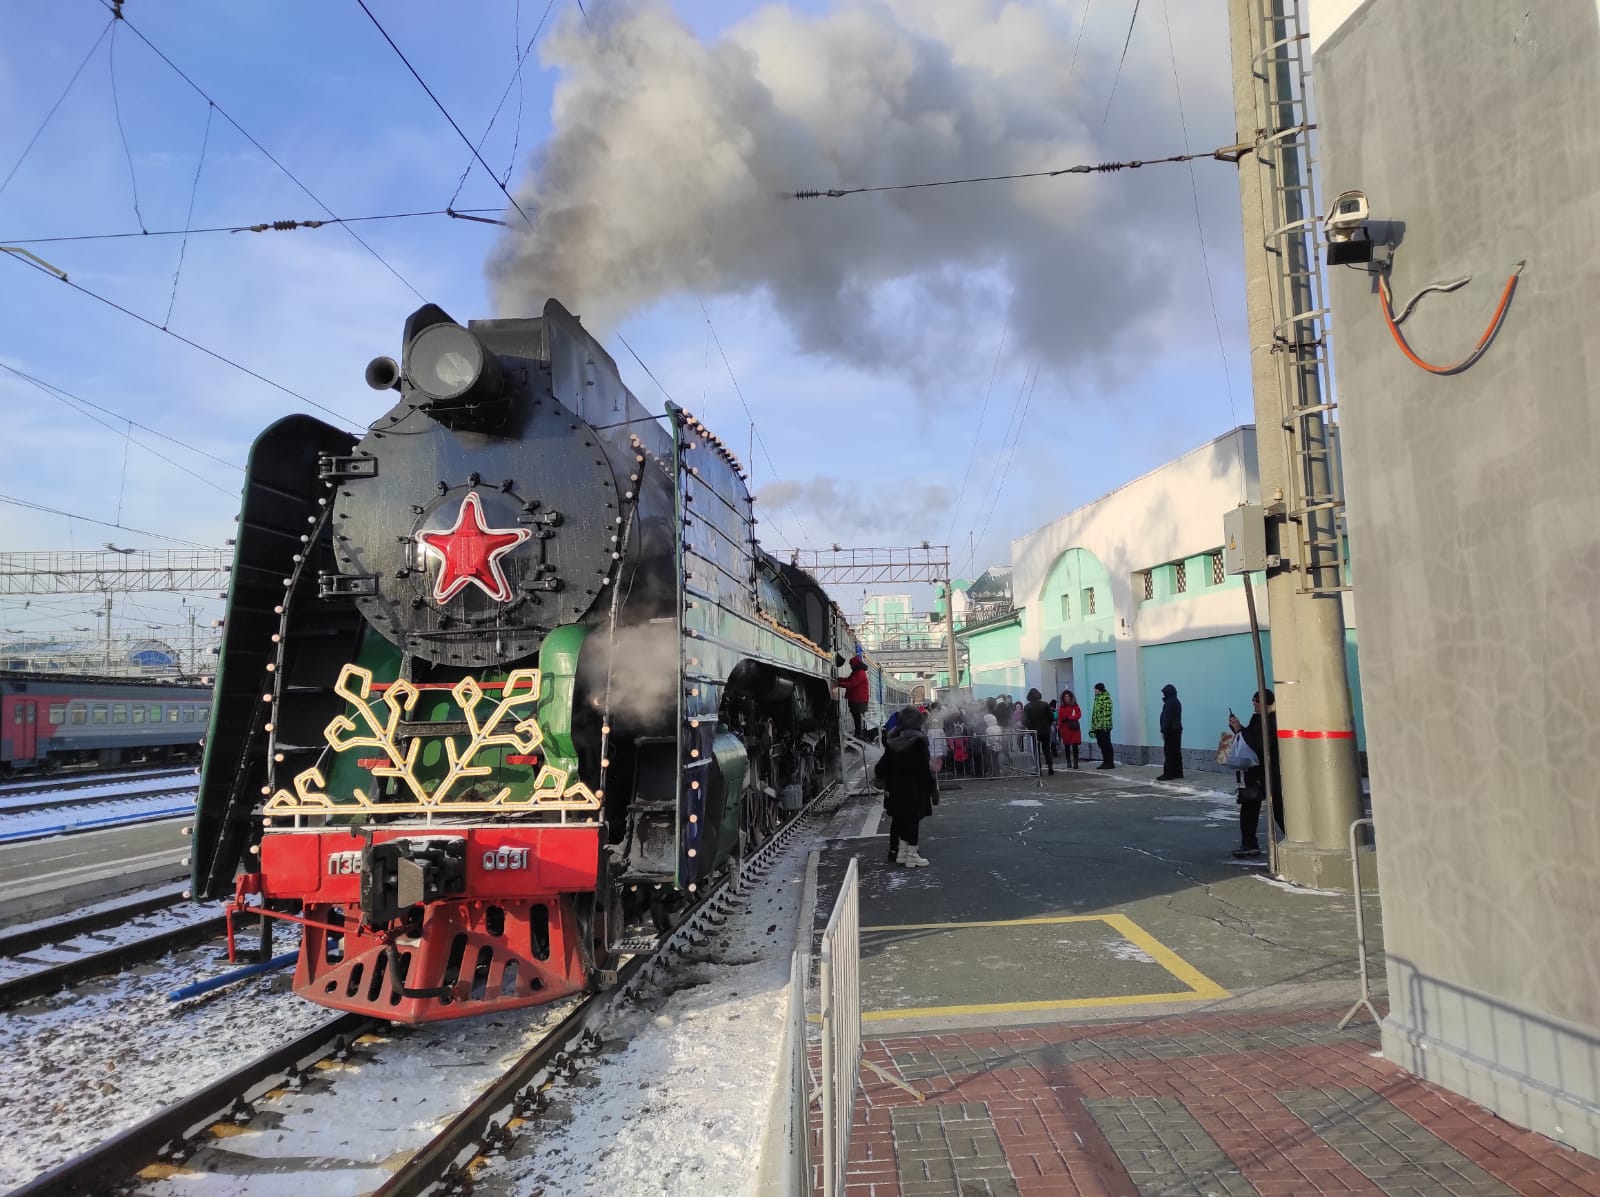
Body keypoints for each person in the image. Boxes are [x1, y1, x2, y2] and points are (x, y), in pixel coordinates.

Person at [876, 707, 937, 867]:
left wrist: (883, 776)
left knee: (900, 820)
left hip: (895, 789)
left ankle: (901, 853)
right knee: (913, 821)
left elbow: (881, 767)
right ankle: (912, 854)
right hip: (914, 789)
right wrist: (933, 789)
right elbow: (924, 769)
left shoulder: (892, 741)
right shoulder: (919, 741)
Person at [1228, 689, 1282, 858]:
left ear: (1265, 703)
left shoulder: (1271, 720)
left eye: (1256, 701)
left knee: (1279, 808)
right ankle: (1249, 843)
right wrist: (1237, 729)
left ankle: (1294, 838)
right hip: (1256, 771)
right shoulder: (1258, 718)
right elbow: (1250, 738)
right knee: (1250, 807)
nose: (1253, 704)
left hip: (1266, 771)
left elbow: (1258, 743)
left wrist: (1239, 730)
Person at [1022, 687, 1056, 774]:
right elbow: (1051, 717)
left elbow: (1024, 720)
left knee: (1036, 750)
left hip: (1034, 731)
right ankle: (1050, 767)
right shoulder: (1045, 704)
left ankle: (1038, 769)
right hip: (1045, 730)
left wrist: (1029, 726)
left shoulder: (1027, 706)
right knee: (1046, 749)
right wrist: (1048, 725)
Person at [1155, 684, 1184, 780]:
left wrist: (1163, 730)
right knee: (1176, 752)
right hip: (1176, 730)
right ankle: (1178, 772)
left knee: (1169, 752)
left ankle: (1168, 774)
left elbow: (1167, 718)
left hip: (1170, 731)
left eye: (1164, 693)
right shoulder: (1176, 701)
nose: (1163, 695)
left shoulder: (1170, 703)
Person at [837, 654, 870, 738]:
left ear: (855, 664)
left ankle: (858, 734)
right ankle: (858, 733)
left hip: (859, 700)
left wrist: (839, 684)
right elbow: (849, 679)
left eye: (851, 665)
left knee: (857, 717)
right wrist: (839, 679)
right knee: (856, 716)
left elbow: (852, 684)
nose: (851, 666)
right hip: (856, 699)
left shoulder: (860, 673)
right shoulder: (856, 672)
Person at [1089, 682, 1115, 768]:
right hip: (1098, 726)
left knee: (1106, 744)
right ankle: (1105, 762)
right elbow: (1095, 714)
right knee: (1101, 744)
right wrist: (1093, 727)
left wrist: (1104, 726)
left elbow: (1106, 713)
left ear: (1099, 689)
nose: (1094, 691)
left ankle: (1110, 762)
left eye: (1095, 689)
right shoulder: (1097, 698)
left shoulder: (1106, 698)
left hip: (1104, 726)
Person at [1057, 689, 1083, 769]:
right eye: (1065, 697)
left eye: (1068, 697)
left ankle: (1076, 763)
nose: (1067, 698)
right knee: (1067, 746)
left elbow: (1079, 715)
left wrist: (1070, 717)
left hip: (1074, 728)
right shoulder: (1062, 707)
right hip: (1065, 729)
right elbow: (1060, 718)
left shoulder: (1075, 706)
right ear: (1063, 698)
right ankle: (1068, 762)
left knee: (1075, 746)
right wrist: (1059, 728)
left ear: (1071, 698)